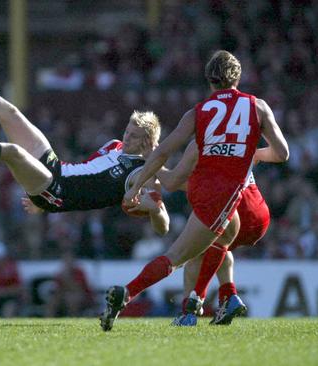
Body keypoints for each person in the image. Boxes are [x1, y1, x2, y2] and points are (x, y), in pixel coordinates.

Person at [0, 21, 169, 235]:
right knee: (10, 113)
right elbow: (87, 178)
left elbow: (163, 226)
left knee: (13, 152)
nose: (126, 137)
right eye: (127, 131)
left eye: (133, 136)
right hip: (55, 170)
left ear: (146, 143)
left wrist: (156, 210)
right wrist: (41, 201)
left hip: (56, 190)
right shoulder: (115, 145)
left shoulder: (142, 173)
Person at [100, 50, 289, 331]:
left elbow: (166, 158)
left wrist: (137, 185)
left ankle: (150, 299)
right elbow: (282, 153)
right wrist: (251, 154)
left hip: (216, 197)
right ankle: (227, 296)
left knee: (184, 256)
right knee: (211, 244)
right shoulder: (257, 107)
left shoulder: (199, 115)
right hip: (247, 205)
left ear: (209, 81)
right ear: (238, 77)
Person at [157, 140, 274, 325]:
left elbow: (176, 182)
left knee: (194, 253)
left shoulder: (202, 142)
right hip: (259, 212)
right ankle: (230, 296)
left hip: (233, 208)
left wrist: (153, 166)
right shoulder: (237, 138)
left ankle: (189, 313)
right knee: (220, 248)